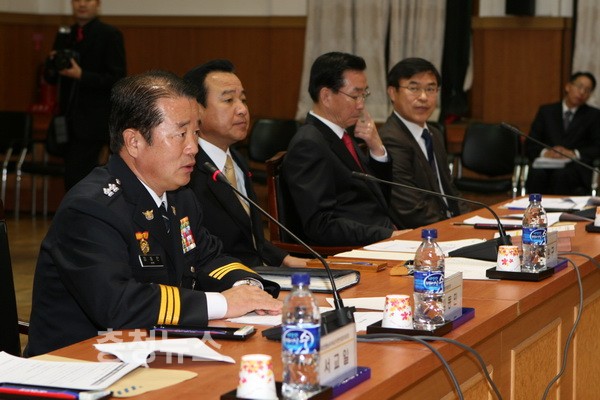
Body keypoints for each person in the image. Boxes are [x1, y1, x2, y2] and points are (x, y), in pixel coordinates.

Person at [25, 71, 281, 356]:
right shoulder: (91, 208)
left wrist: (245, 286)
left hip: (151, 349)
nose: (193, 148)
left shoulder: (180, 196)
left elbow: (209, 257)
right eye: (181, 134)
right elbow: (118, 304)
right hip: (80, 361)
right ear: (134, 142)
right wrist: (223, 303)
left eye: (196, 133)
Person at [183, 59, 306, 268]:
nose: (242, 109)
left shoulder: (237, 160)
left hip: (257, 272)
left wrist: (290, 260)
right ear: (196, 109)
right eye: (228, 100)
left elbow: (252, 239)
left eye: (243, 100)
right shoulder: (189, 170)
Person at [282, 51, 404, 247]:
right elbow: (320, 225)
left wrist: (376, 149)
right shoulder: (309, 144)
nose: (361, 105)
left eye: (364, 95)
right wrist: (386, 235)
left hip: (379, 237)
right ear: (326, 96)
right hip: (354, 249)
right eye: (355, 96)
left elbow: (377, 198)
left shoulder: (341, 135)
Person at [45, 0, 127, 190]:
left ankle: (80, 208)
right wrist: (51, 65)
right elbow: (51, 78)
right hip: (66, 119)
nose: (82, 4)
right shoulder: (65, 34)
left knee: (80, 177)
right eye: (76, 0)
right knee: (71, 176)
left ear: (97, 4)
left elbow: (117, 79)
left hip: (93, 121)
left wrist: (81, 75)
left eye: (88, 0)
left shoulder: (109, 35)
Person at [379, 58, 467, 229]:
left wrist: (471, 222)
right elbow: (410, 209)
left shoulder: (435, 134)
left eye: (430, 89)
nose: (424, 97)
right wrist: (453, 229)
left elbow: (450, 191)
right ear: (392, 92)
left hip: (450, 227)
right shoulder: (391, 139)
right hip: (423, 233)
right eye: (414, 88)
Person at [525, 71, 600, 195]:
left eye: (587, 90)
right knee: (537, 174)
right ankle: (533, 207)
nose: (582, 92)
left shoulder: (594, 115)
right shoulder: (546, 112)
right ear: (568, 86)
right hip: (545, 164)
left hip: (574, 168)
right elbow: (531, 143)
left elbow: (597, 147)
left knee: (562, 175)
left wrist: (573, 153)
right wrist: (546, 152)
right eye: (579, 86)